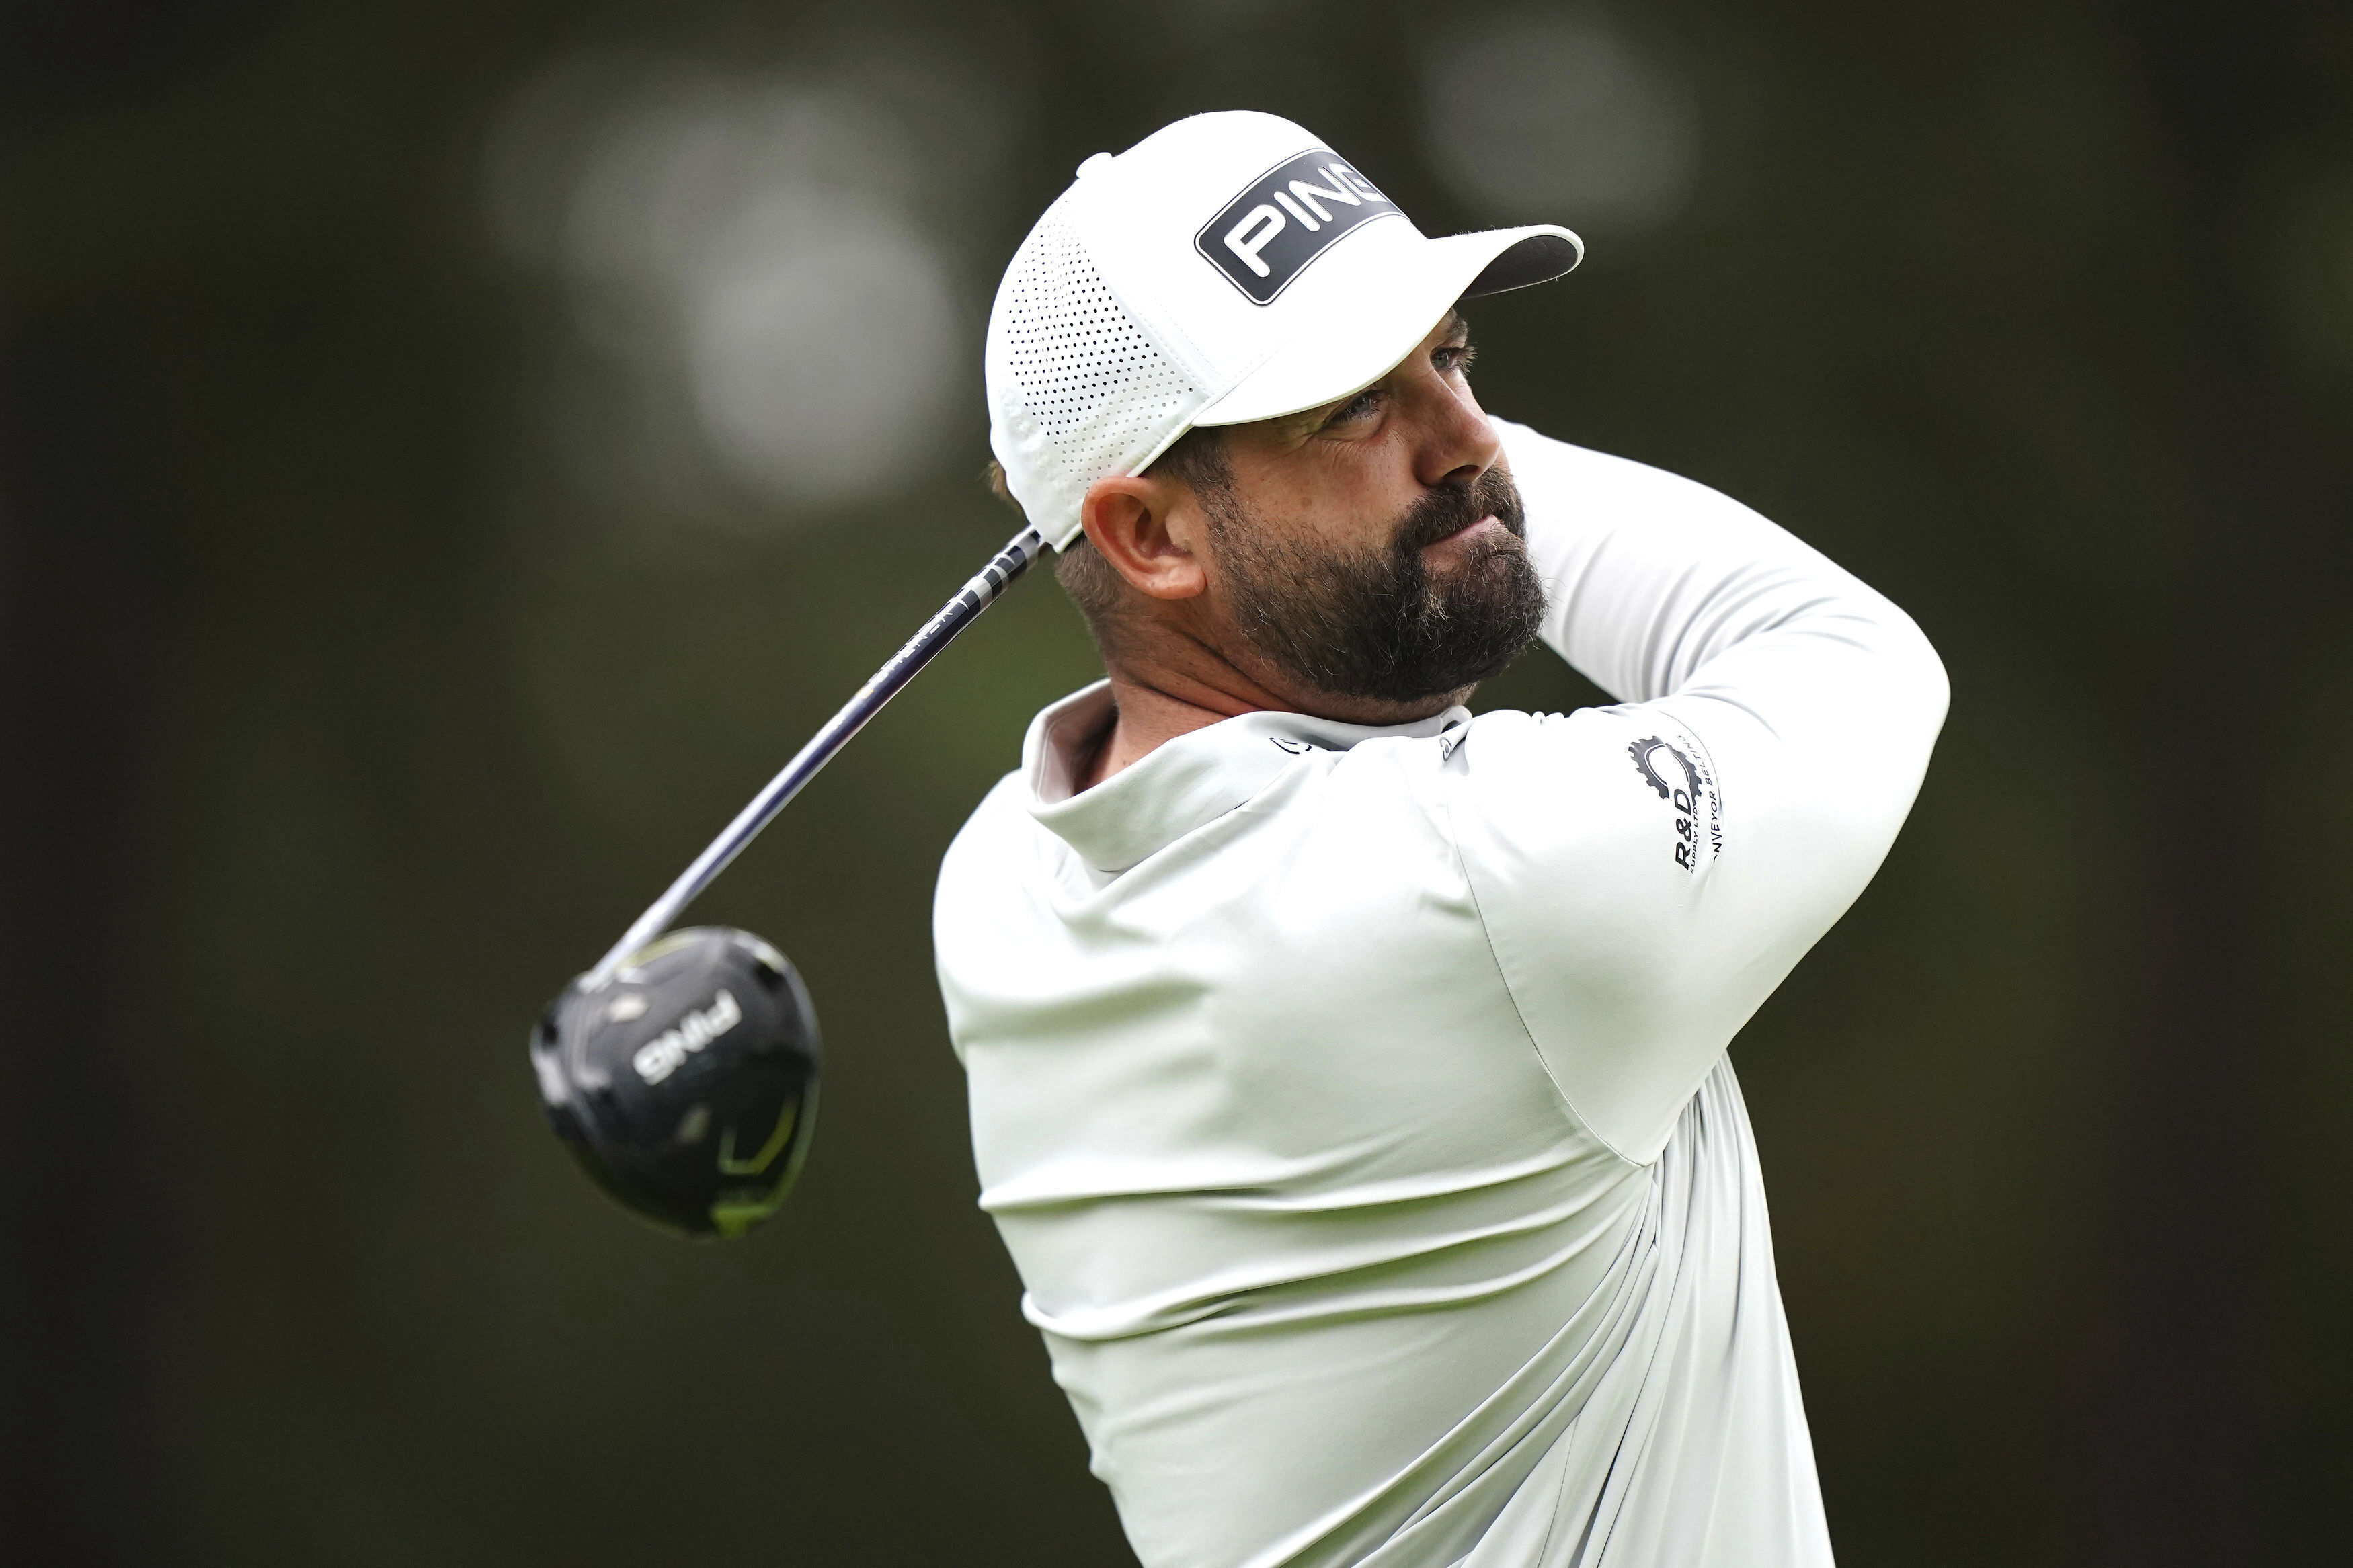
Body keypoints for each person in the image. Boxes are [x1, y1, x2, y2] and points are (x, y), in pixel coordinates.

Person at [933, 110, 1946, 1568]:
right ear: (1148, 538)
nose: (1471, 437)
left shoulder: (1005, 880)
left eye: (1452, 357)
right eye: (1351, 404)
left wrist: (1389, 419)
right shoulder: (1489, 886)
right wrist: (1479, 465)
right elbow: (1846, 656)